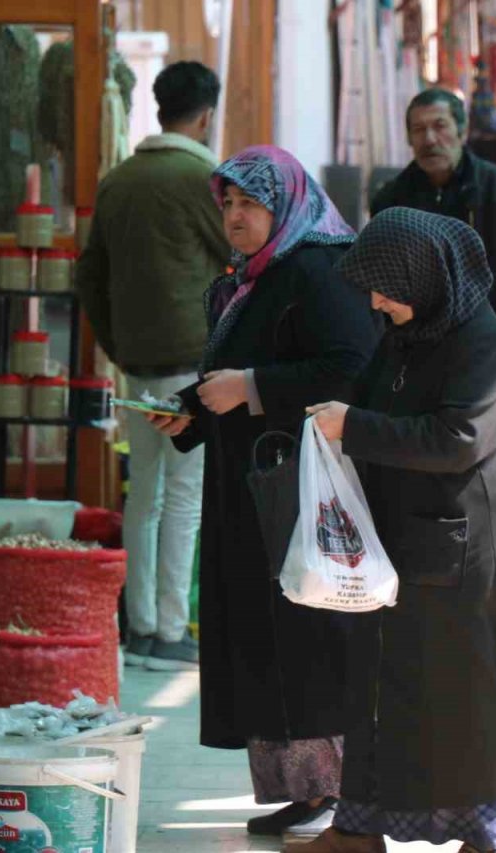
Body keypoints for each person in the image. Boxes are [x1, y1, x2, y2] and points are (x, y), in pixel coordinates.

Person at [298, 208, 496, 853]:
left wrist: (354, 426)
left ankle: (486, 836)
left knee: (464, 698)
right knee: (381, 686)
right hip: (403, 539)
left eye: (388, 289)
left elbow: (459, 438)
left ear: (427, 277)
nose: (377, 303)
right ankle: (358, 828)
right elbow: (372, 400)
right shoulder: (406, 335)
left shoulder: (485, 344)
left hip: (466, 549)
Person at [147, 145, 379, 837]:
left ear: (286, 207)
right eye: (228, 203)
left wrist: (250, 388)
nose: (236, 216)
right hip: (251, 484)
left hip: (298, 488)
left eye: (251, 203)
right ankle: (301, 787)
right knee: (262, 635)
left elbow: (350, 366)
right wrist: (190, 410)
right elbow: (241, 370)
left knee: (304, 632)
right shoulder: (251, 279)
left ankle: (332, 784)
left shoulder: (317, 269)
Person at [76, 61, 229, 671]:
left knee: (143, 493)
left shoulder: (118, 181)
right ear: (206, 115)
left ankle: (138, 626)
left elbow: (90, 274)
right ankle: (169, 629)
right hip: (192, 361)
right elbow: (237, 254)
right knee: (184, 495)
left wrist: (117, 344)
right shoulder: (204, 179)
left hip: (136, 363)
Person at [370, 88, 496, 394]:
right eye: (418, 129)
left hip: (489, 352)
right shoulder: (391, 201)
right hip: (417, 362)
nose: (429, 139)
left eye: (439, 126)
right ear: (409, 139)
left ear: (462, 131)